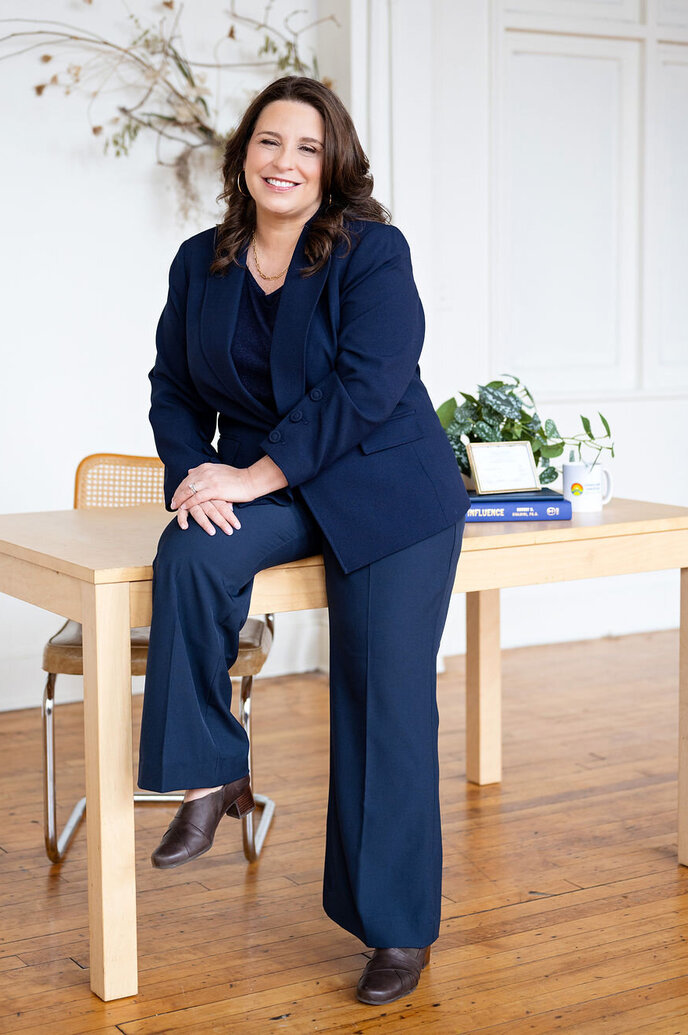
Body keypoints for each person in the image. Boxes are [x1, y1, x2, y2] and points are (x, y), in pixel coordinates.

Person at [138, 75, 470, 1006]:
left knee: (382, 699)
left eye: (309, 148)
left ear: (334, 166)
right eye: (270, 143)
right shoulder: (199, 260)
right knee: (194, 551)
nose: (286, 162)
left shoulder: (373, 253)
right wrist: (191, 476)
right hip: (274, 483)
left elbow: (369, 386)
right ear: (243, 156)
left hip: (385, 490)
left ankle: (397, 930)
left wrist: (250, 474)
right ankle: (209, 772)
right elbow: (171, 386)